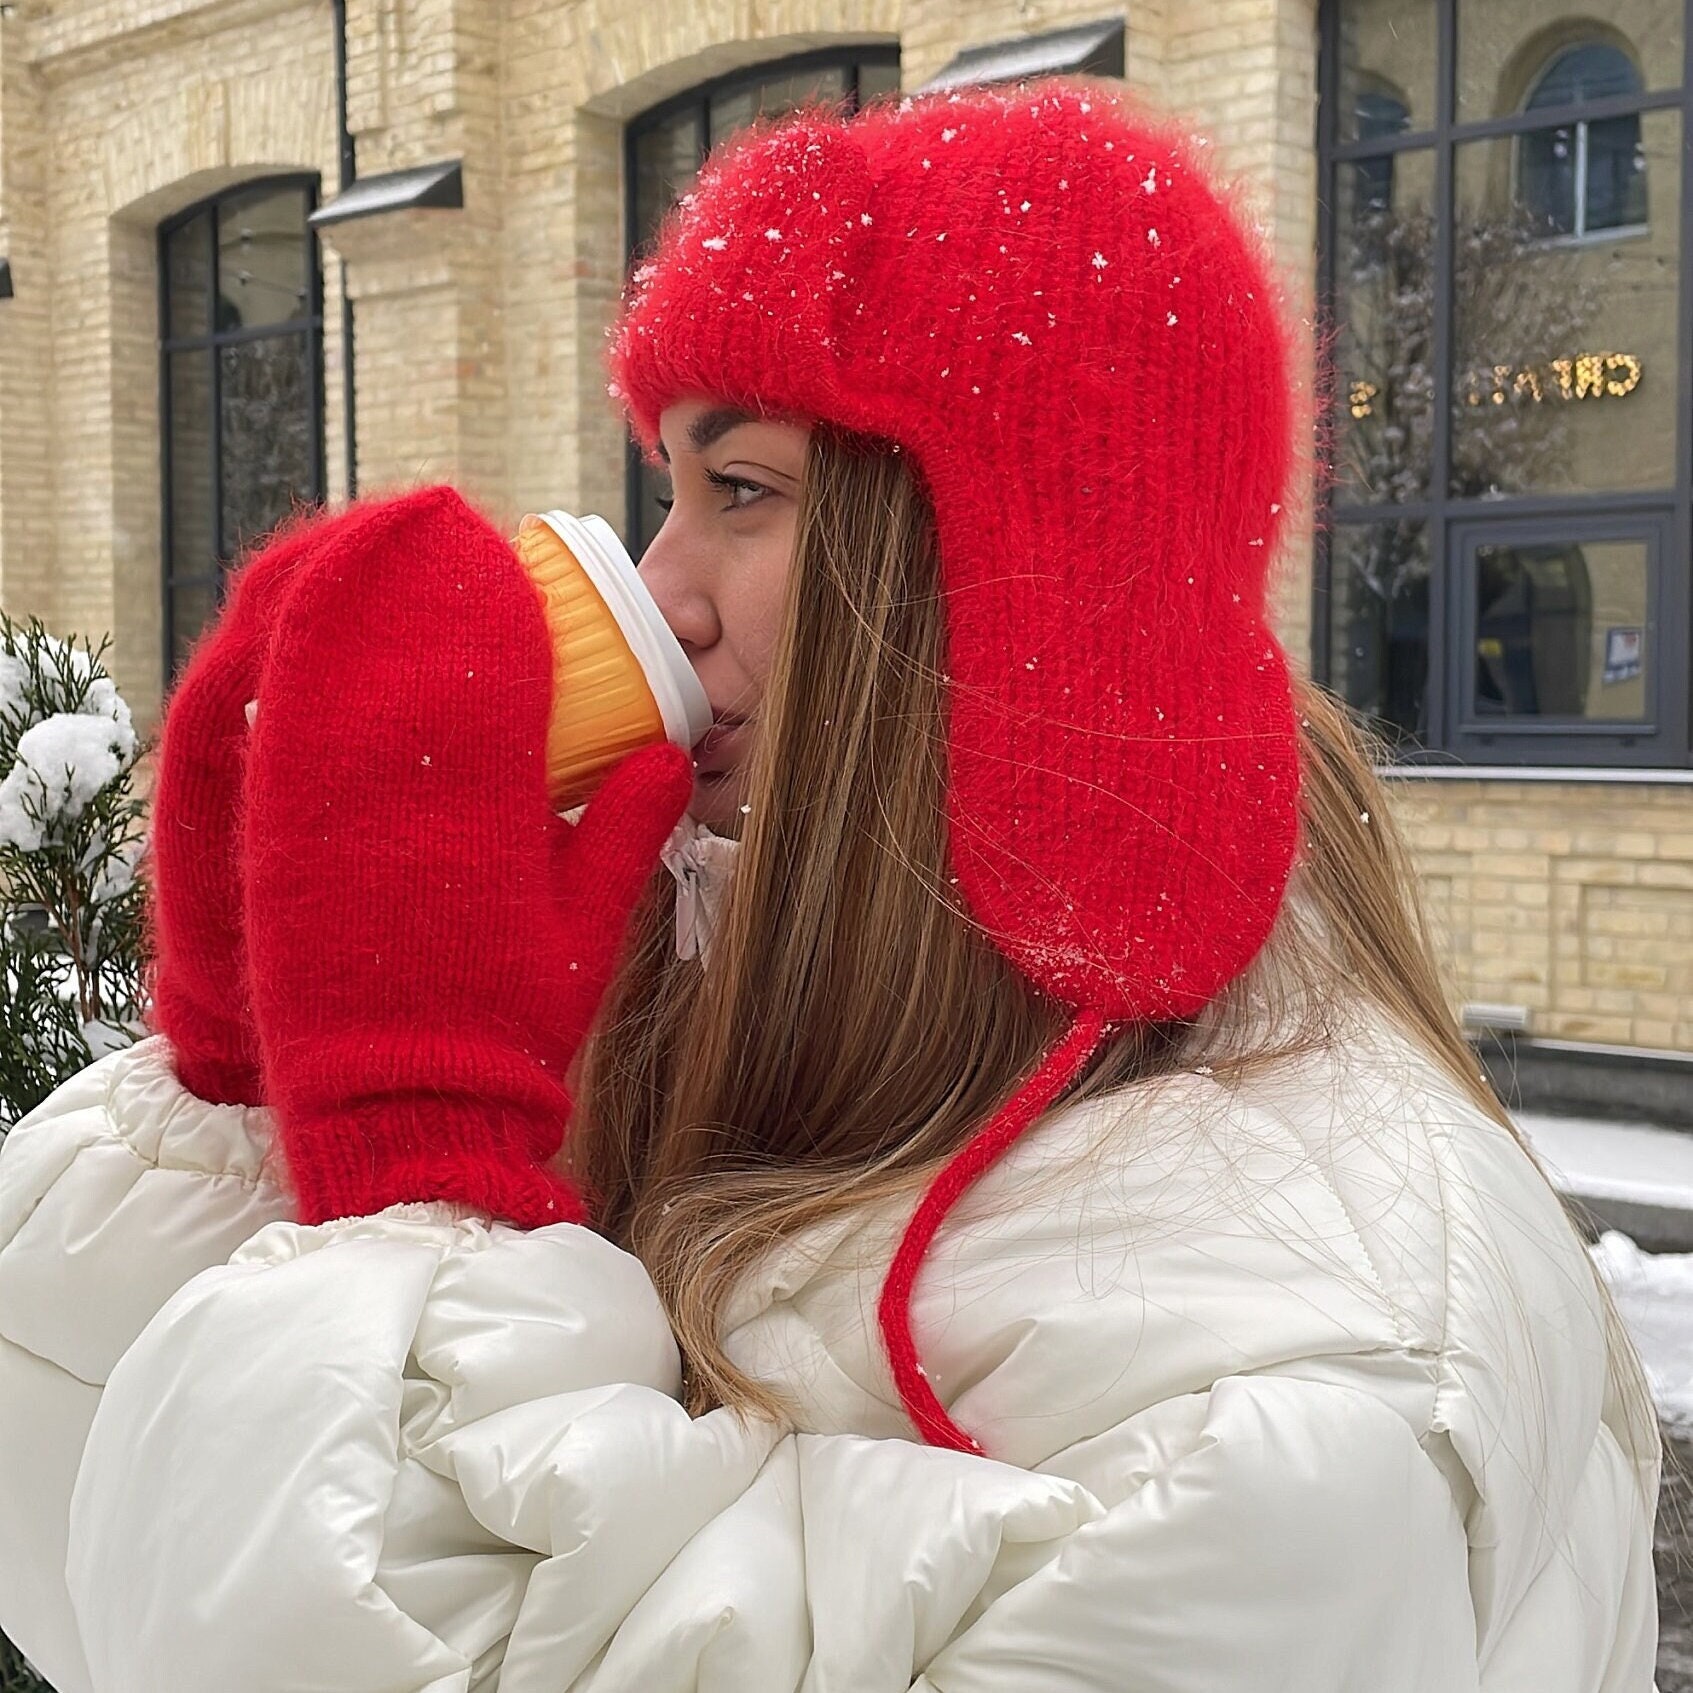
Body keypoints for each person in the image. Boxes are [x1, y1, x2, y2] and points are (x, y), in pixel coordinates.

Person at [0, 79, 1660, 1693]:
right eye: (665, 489)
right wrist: (241, 1077)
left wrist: (416, 1168)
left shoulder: (1278, 1364)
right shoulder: (779, 1039)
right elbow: (116, 1556)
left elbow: (316, 1624)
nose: (664, 592)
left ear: (999, 571)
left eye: (742, 493)